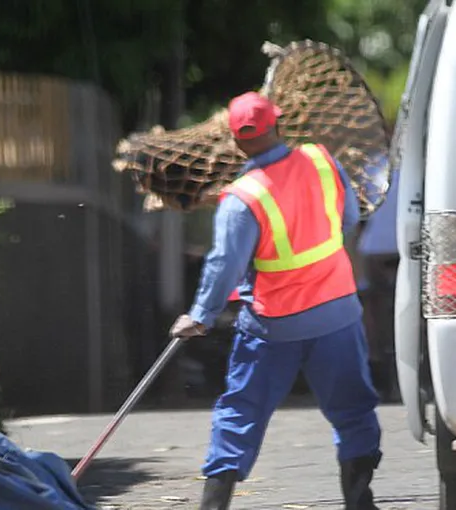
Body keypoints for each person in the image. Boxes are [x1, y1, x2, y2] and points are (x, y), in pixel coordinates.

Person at [169, 91, 383, 510]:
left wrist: (200, 316)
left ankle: (213, 507)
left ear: (235, 141)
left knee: (241, 413)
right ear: (278, 125)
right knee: (354, 409)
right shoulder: (322, 161)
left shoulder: (242, 198)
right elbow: (350, 220)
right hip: (338, 311)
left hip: (274, 324)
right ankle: (360, 502)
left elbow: (224, 266)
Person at [356, 167, 400, 401]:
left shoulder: (370, 166)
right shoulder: (424, 158)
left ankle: (377, 367)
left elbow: (358, 216)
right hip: (407, 243)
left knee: (372, 307)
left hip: (374, 248)